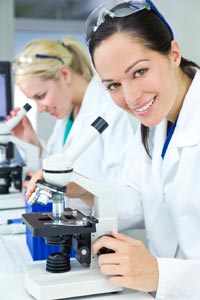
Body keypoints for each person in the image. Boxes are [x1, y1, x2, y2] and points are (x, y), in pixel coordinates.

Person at [83, 0, 200, 299]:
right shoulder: (153, 127)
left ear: (173, 54)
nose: (131, 98)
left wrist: (162, 275)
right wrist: (78, 190)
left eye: (139, 72)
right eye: (113, 86)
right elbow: (137, 200)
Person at [11, 36, 136, 214]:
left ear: (64, 74)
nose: (39, 109)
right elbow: (59, 169)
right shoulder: (67, 116)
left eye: (41, 96)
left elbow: (128, 199)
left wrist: (83, 190)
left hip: (111, 232)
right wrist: (32, 144)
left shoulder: (112, 108)